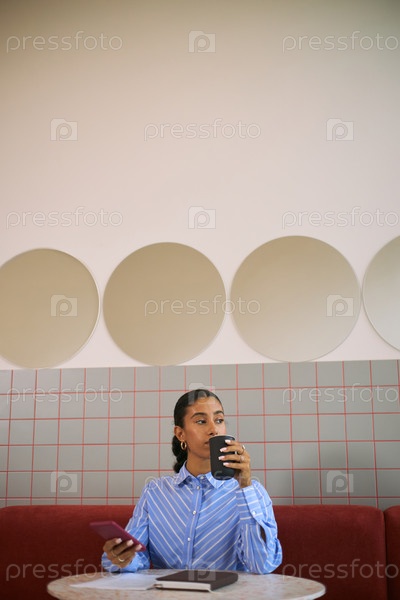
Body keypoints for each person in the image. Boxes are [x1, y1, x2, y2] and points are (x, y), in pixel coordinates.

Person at [102, 389, 282, 574]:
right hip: (168, 590)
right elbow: (135, 555)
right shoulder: (155, 492)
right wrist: (121, 557)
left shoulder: (252, 493)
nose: (213, 430)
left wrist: (244, 486)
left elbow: (261, 565)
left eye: (219, 420)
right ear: (180, 434)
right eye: (201, 421)